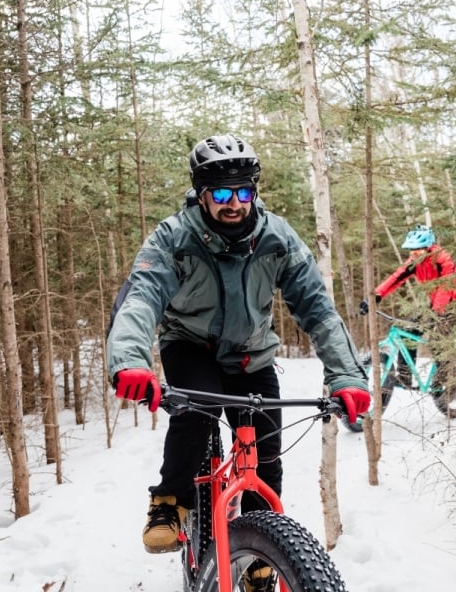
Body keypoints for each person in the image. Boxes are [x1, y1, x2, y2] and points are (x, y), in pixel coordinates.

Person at [106, 134, 370, 591]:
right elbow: (142, 297)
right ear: (202, 194)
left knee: (266, 454)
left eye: (243, 192)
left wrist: (346, 375)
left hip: (252, 354)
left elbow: (317, 308)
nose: (234, 203)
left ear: (255, 190)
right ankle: (170, 499)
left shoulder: (277, 236)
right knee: (194, 415)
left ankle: (261, 545)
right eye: (222, 194)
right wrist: (131, 362)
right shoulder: (175, 236)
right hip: (191, 346)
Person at [359, 224, 456, 385]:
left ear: (428, 247)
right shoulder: (414, 262)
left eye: (418, 250)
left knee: (437, 336)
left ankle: (446, 377)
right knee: (407, 329)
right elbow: (395, 278)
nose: (414, 254)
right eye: (411, 250)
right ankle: (405, 376)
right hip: (436, 305)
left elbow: (446, 287)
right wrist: (374, 297)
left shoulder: (444, 259)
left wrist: (436, 313)